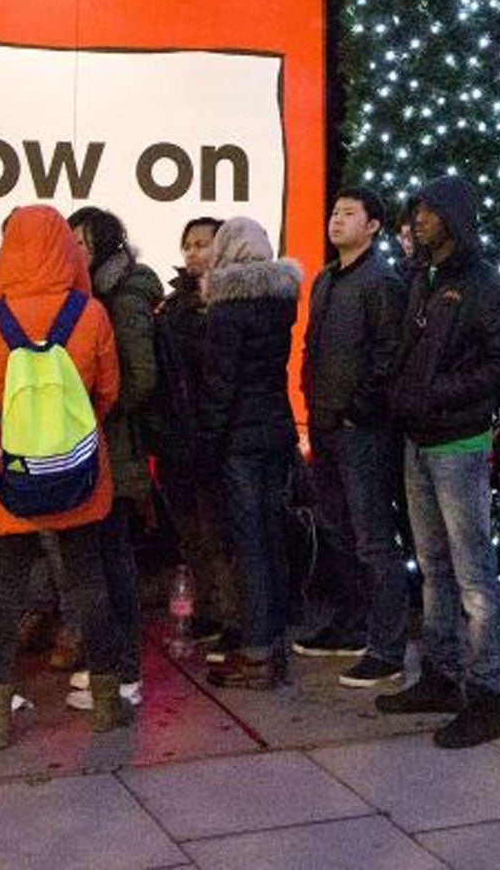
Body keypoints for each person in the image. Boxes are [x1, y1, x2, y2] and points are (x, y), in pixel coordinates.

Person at [374, 174, 500, 748]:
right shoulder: (425, 279)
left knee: (472, 576)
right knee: (434, 567)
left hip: (457, 445)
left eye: (428, 212)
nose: (417, 220)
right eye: (416, 212)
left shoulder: (481, 284)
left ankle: (487, 698)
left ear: (454, 219)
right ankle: (439, 677)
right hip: (420, 440)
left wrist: (445, 393)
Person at [0, 206, 129, 743]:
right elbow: (107, 392)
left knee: (4, 588)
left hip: (9, 470)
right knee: (89, 582)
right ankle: (108, 702)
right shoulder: (90, 315)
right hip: (78, 464)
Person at [295, 186, 409, 686]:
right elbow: (311, 346)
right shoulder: (325, 279)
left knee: (372, 539)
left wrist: (357, 410)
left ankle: (387, 645)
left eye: (348, 214)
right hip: (325, 425)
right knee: (338, 530)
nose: (335, 220)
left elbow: (388, 356)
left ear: (373, 226)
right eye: (334, 212)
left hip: (361, 431)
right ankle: (350, 624)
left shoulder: (381, 280)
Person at [197, 218, 304, 690]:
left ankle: (257, 653)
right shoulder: (280, 303)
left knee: (250, 543)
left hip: (240, 438)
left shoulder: (225, 311)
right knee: (271, 536)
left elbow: (221, 387)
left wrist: (207, 443)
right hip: (275, 429)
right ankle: (273, 642)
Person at [65, 206, 161, 712]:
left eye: (80, 241)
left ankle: (124, 671)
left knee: (113, 560)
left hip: (115, 447)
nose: (72, 251)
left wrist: (94, 405)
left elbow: (141, 377)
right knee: (96, 559)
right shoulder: (94, 295)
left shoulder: (124, 297)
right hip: (98, 444)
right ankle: (103, 660)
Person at [149, 215, 233, 647]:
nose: (194, 252)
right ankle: (207, 609)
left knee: (219, 531)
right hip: (175, 436)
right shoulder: (171, 305)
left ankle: (231, 615)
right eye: (189, 244)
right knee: (190, 533)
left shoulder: (230, 302)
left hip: (215, 434)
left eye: (204, 243)